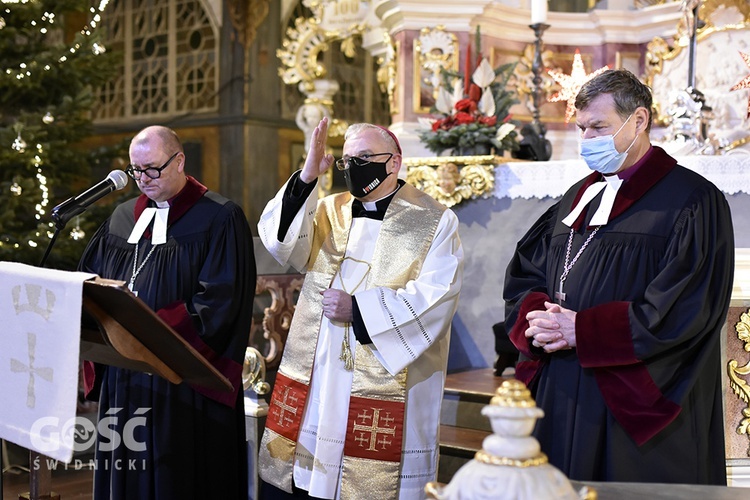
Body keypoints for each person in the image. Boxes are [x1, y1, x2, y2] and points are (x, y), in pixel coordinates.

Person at [503, 69, 734, 485]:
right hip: (562, 388)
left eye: (599, 127)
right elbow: (526, 274)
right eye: (581, 128)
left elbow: (687, 307)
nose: (587, 139)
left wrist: (585, 330)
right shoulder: (576, 197)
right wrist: (539, 319)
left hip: (630, 402)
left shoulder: (692, 201)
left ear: (639, 120)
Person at [256, 117, 464, 499]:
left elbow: (438, 295)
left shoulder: (435, 219)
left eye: (365, 157)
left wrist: (361, 310)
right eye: (347, 160)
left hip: (384, 364)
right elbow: (281, 244)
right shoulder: (328, 209)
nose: (353, 167)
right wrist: (307, 175)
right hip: (320, 364)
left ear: (394, 162)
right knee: (312, 476)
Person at [78, 125, 256, 499]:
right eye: (135, 170)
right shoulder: (121, 219)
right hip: (127, 377)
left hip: (182, 383)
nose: (143, 179)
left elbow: (220, 304)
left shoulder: (219, 218)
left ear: (180, 161)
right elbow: (90, 286)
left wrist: (148, 334)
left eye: (152, 169)